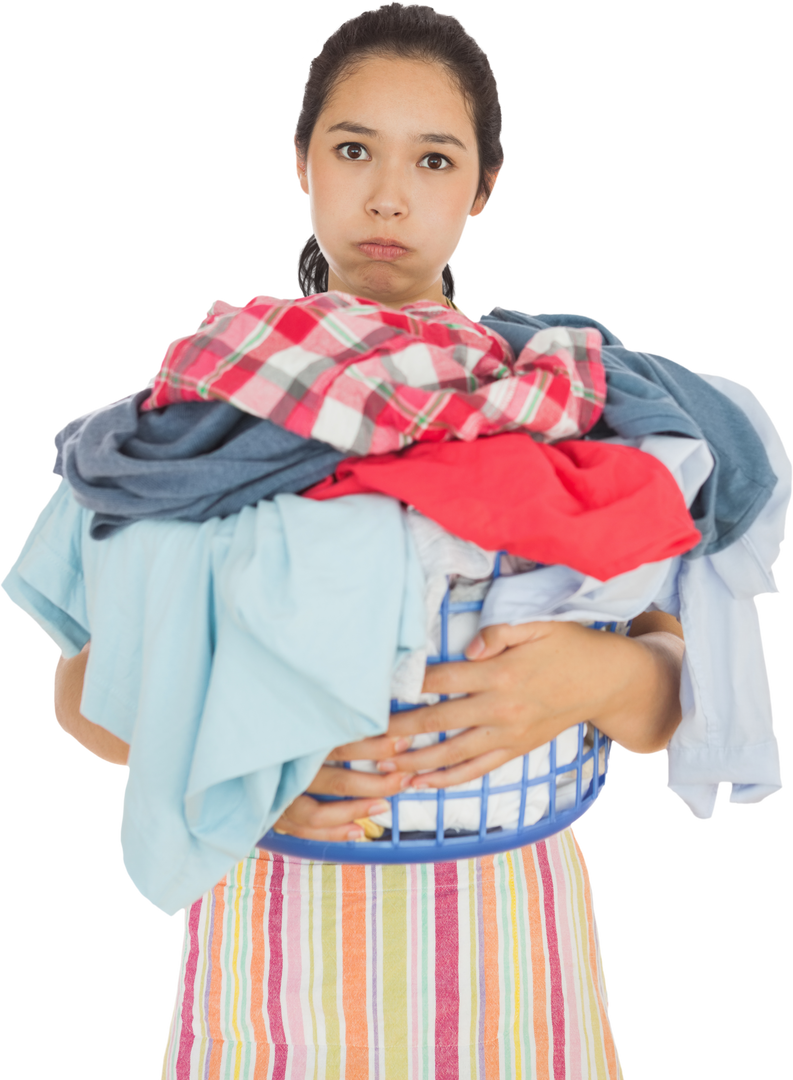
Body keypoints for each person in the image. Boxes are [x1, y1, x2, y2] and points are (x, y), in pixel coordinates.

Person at [51, 5, 688, 1077]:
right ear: (301, 161)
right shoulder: (197, 410)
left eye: (432, 159)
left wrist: (595, 673)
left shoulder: (554, 402)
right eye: (353, 150)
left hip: (512, 972)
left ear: (483, 186)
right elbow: (80, 687)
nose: (388, 196)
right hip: (266, 969)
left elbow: (667, 706)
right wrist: (229, 771)